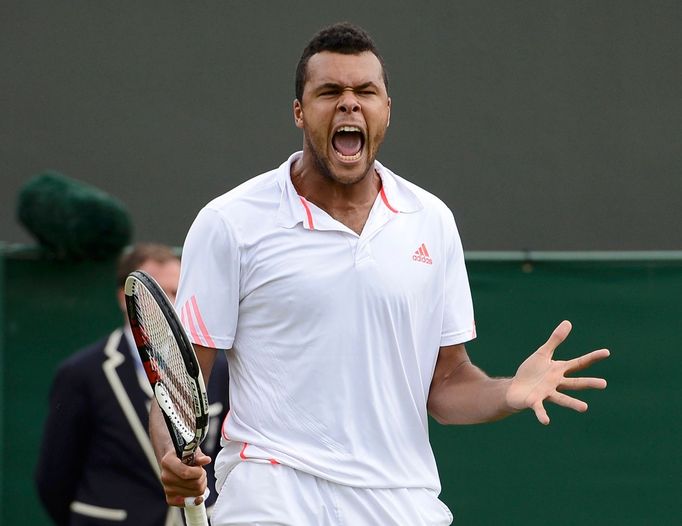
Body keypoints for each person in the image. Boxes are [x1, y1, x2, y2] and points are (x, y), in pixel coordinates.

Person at [152, 23, 610, 525]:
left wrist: (509, 393)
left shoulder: (431, 221)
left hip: (400, 501)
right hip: (273, 492)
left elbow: (447, 382)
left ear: (386, 110)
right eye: (330, 92)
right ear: (299, 112)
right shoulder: (229, 223)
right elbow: (177, 384)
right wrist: (170, 456)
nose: (349, 104)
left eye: (365, 91)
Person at [35, 243, 230, 525]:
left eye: (177, 292)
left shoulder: (220, 371)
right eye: (160, 294)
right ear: (124, 298)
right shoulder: (80, 373)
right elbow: (54, 477)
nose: (170, 303)